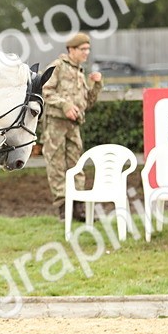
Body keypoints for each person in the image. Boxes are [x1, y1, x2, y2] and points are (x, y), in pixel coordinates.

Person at [41, 33, 103, 219]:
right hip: (56, 124)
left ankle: (78, 208)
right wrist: (64, 105)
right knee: (56, 165)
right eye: (83, 49)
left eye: (88, 49)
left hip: (73, 125)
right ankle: (63, 209)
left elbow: (87, 103)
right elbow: (44, 89)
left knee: (76, 165)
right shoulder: (57, 67)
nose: (87, 53)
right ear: (71, 50)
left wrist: (97, 85)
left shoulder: (80, 72)